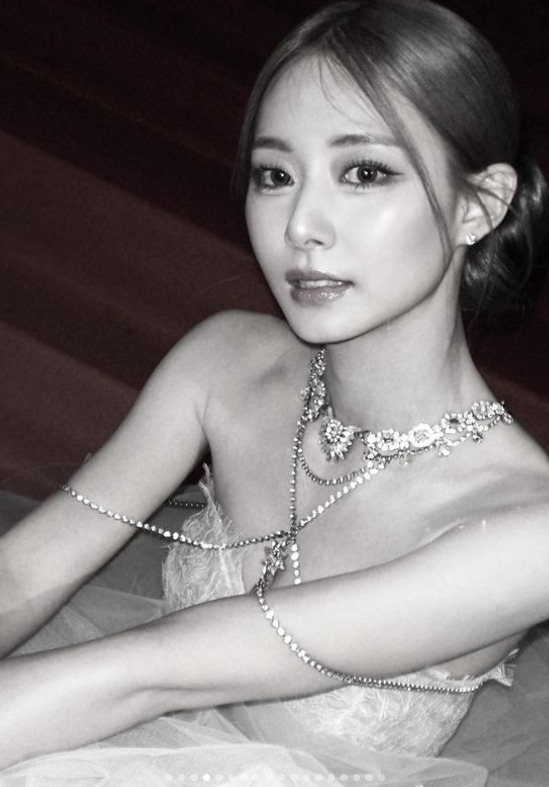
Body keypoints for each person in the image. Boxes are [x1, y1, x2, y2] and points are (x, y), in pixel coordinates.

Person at [0, 0, 548, 784]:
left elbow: (152, 669)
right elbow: (23, 573)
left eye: (364, 172)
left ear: (478, 205)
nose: (301, 225)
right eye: (275, 175)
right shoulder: (225, 361)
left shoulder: (529, 529)